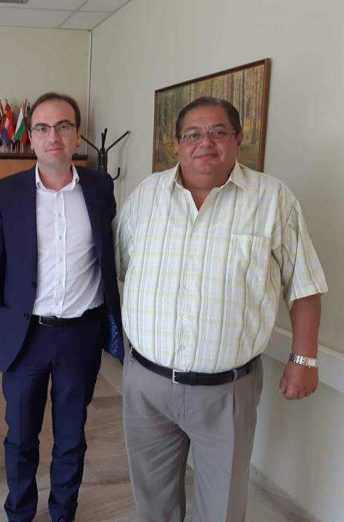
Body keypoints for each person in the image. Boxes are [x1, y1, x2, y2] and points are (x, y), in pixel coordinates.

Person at [116, 96, 328, 522]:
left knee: (222, 508)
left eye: (218, 132)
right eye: (192, 134)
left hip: (226, 392)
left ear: (238, 139)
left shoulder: (272, 199)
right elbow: (119, 266)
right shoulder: (145, 196)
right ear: (177, 144)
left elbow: (304, 285)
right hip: (146, 386)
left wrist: (304, 358)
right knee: (153, 503)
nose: (205, 143)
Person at [0, 92, 123, 522]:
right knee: (21, 437)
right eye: (42, 127)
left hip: (81, 334)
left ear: (77, 134)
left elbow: (108, 254)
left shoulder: (100, 188)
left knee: (71, 436)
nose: (52, 136)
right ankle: (20, 513)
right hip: (24, 335)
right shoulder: (5, 194)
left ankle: (63, 514)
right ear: (31, 137)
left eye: (63, 126)